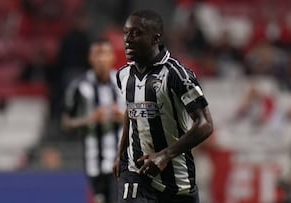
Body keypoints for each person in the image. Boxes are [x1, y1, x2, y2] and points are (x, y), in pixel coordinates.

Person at [113, 9, 214, 203]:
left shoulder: (178, 75)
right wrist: (120, 154)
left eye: (136, 33)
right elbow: (131, 111)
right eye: (126, 33)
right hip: (135, 174)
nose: (128, 39)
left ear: (155, 38)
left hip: (176, 180)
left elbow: (205, 124)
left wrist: (165, 155)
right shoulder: (123, 75)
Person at [62, 39, 124, 203]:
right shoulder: (79, 87)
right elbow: (66, 123)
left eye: (105, 54)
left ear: (112, 57)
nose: (101, 59)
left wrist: (125, 116)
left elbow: (144, 117)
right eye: (97, 54)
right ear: (90, 58)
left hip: (121, 161)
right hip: (93, 161)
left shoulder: (125, 83)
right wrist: (89, 120)